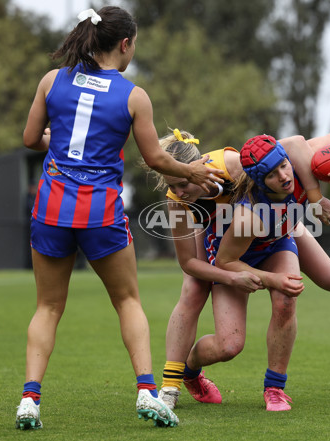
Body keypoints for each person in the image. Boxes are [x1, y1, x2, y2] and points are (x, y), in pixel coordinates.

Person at [15, 6, 223, 430]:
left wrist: (58, 141)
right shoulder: (133, 96)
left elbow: (30, 139)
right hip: (99, 213)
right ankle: (147, 391)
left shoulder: (52, 80)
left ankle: (30, 401)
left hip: (52, 207)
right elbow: (156, 158)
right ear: (125, 44)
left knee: (48, 306)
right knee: (127, 301)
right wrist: (194, 171)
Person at [149, 125, 330, 409]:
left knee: (316, 285)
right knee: (198, 297)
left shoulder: (233, 166)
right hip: (228, 246)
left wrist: (316, 195)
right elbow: (189, 263)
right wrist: (233, 277)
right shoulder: (178, 202)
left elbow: (290, 148)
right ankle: (176, 379)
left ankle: (275, 388)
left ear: (201, 166)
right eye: (171, 185)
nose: (178, 191)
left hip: (270, 233)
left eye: (183, 183)